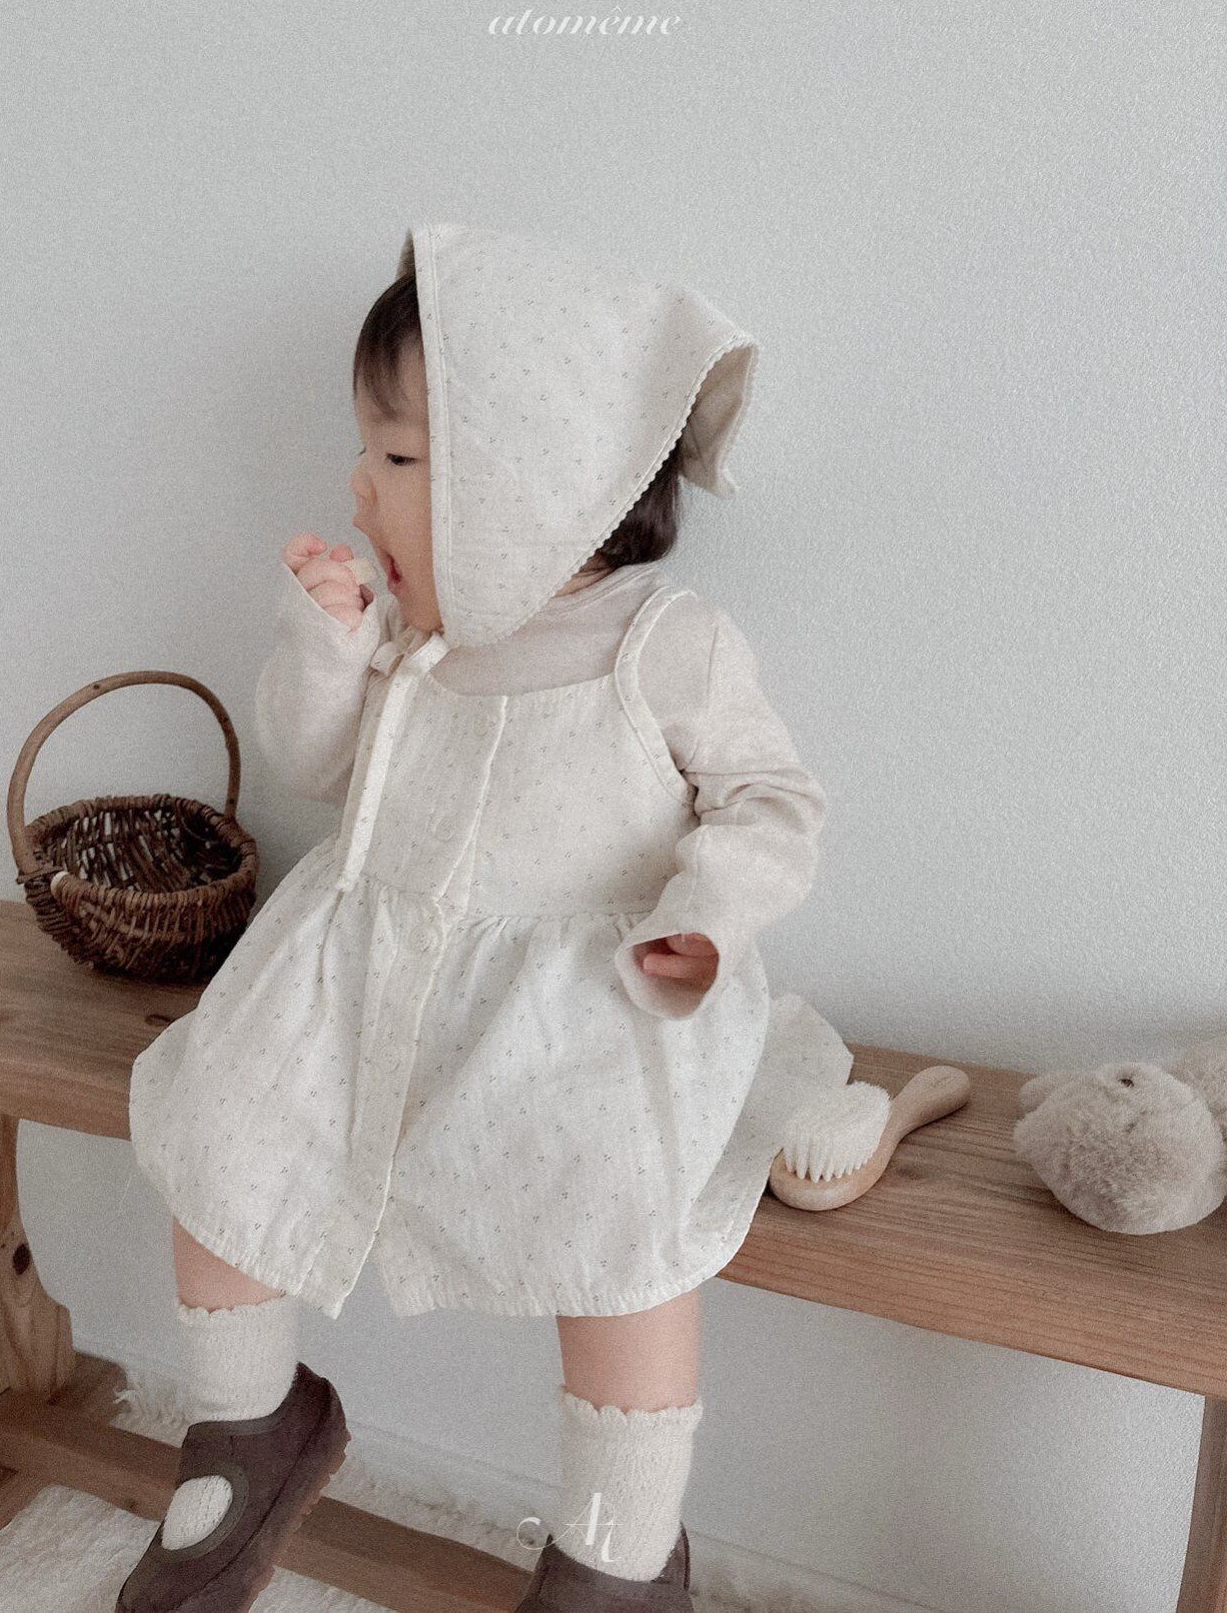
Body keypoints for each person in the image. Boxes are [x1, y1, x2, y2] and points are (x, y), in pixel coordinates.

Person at [120, 221, 828, 1611]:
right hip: (363, 972)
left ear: (537, 479)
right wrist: (328, 647)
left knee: (622, 1226)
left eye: (396, 457)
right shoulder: (419, 645)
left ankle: (619, 1550)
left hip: (581, 1006)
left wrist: (708, 913)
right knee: (221, 1116)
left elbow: (771, 800)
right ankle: (247, 1421)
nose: (357, 486)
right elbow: (317, 766)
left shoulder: (662, 643)